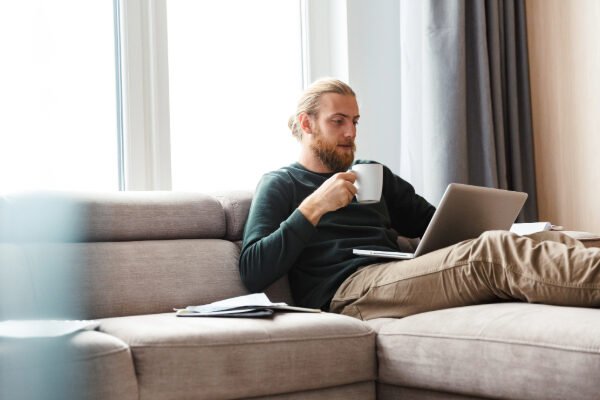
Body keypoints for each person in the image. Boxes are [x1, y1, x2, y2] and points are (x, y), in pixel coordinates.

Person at [239, 78, 600, 320]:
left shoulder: (371, 171)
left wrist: (478, 220)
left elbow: (433, 223)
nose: (351, 132)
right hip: (347, 292)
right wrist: (314, 206)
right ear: (307, 124)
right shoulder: (281, 183)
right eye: (338, 121)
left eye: (355, 121)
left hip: (396, 272)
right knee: (491, 252)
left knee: (545, 239)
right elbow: (254, 269)